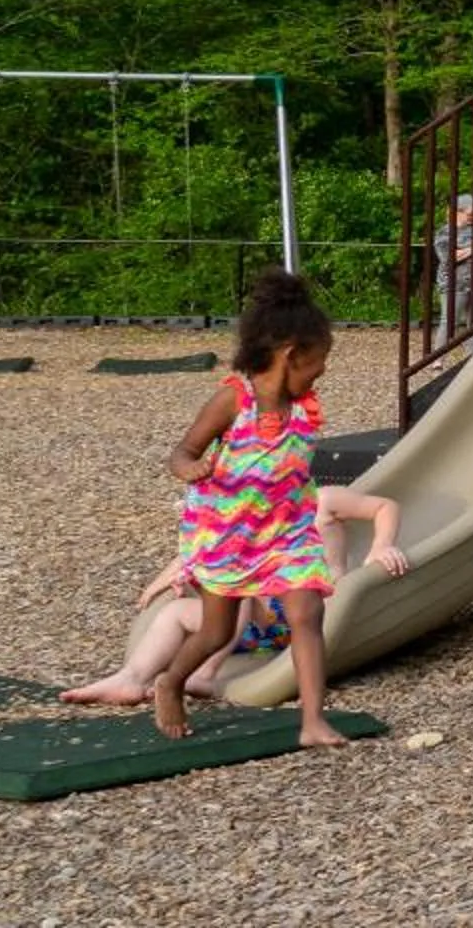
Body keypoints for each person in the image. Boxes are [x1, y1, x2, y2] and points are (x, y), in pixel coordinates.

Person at [148, 268, 343, 747]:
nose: (323, 370)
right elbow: (182, 451)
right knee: (216, 632)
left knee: (306, 612)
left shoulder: (305, 407)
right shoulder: (232, 402)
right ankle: (171, 681)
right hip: (229, 534)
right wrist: (188, 469)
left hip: (287, 531)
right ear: (290, 355)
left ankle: (313, 721)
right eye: (319, 360)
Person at [63, 486, 409, 708]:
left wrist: (382, 545)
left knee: (237, 588)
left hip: (316, 614)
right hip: (255, 623)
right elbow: (201, 548)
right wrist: (161, 580)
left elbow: (384, 506)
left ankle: (207, 675)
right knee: (175, 614)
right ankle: (131, 678)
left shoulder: (323, 501)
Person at [428, 192, 473, 358]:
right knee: (449, 321)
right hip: (455, 284)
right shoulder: (444, 232)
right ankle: (438, 359)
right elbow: (449, 257)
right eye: (469, 214)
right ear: (457, 212)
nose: (472, 217)